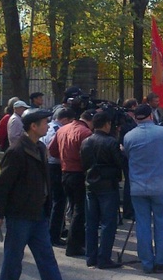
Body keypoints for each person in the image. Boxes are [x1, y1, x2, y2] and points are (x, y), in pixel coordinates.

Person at [0, 109, 86, 280]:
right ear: (33, 126)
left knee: (46, 256)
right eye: (44, 122)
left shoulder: (40, 147)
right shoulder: (17, 151)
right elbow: (0, 186)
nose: (47, 125)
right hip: (20, 215)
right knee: (13, 259)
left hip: (39, 213)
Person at [123, 104, 163, 273]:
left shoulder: (129, 136)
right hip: (161, 186)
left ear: (136, 117)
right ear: (151, 116)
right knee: (162, 223)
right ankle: (162, 260)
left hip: (138, 186)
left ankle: (146, 262)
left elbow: (127, 154)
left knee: (142, 224)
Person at [80, 111, 125, 269]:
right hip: (107, 184)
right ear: (107, 124)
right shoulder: (111, 142)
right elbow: (119, 162)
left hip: (91, 183)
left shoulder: (86, 141)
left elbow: (83, 163)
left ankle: (91, 256)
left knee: (91, 222)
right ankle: (104, 257)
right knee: (108, 223)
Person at [48, 109, 93, 257]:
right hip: (78, 173)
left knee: (71, 207)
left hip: (64, 171)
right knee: (79, 210)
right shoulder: (85, 133)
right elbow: (89, 156)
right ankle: (74, 244)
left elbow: (52, 150)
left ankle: (70, 240)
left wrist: (64, 157)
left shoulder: (62, 129)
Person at [44, 107, 73, 246]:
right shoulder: (56, 130)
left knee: (57, 200)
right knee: (59, 201)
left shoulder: (49, 126)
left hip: (50, 165)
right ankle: (53, 234)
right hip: (55, 166)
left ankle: (59, 228)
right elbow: (53, 150)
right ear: (65, 120)